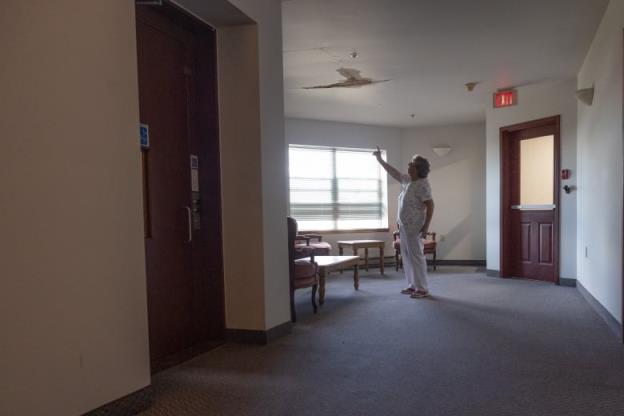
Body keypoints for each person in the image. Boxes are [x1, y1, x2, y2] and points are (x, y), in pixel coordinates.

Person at [373, 147, 434, 298]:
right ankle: (412, 285)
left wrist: (426, 226)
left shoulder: (422, 184)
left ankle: (423, 288)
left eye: (411, 164)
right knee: (406, 256)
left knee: (416, 257)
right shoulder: (408, 181)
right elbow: (394, 173)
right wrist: (380, 160)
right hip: (404, 226)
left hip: (415, 227)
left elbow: (431, 205)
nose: (408, 164)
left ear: (418, 169)